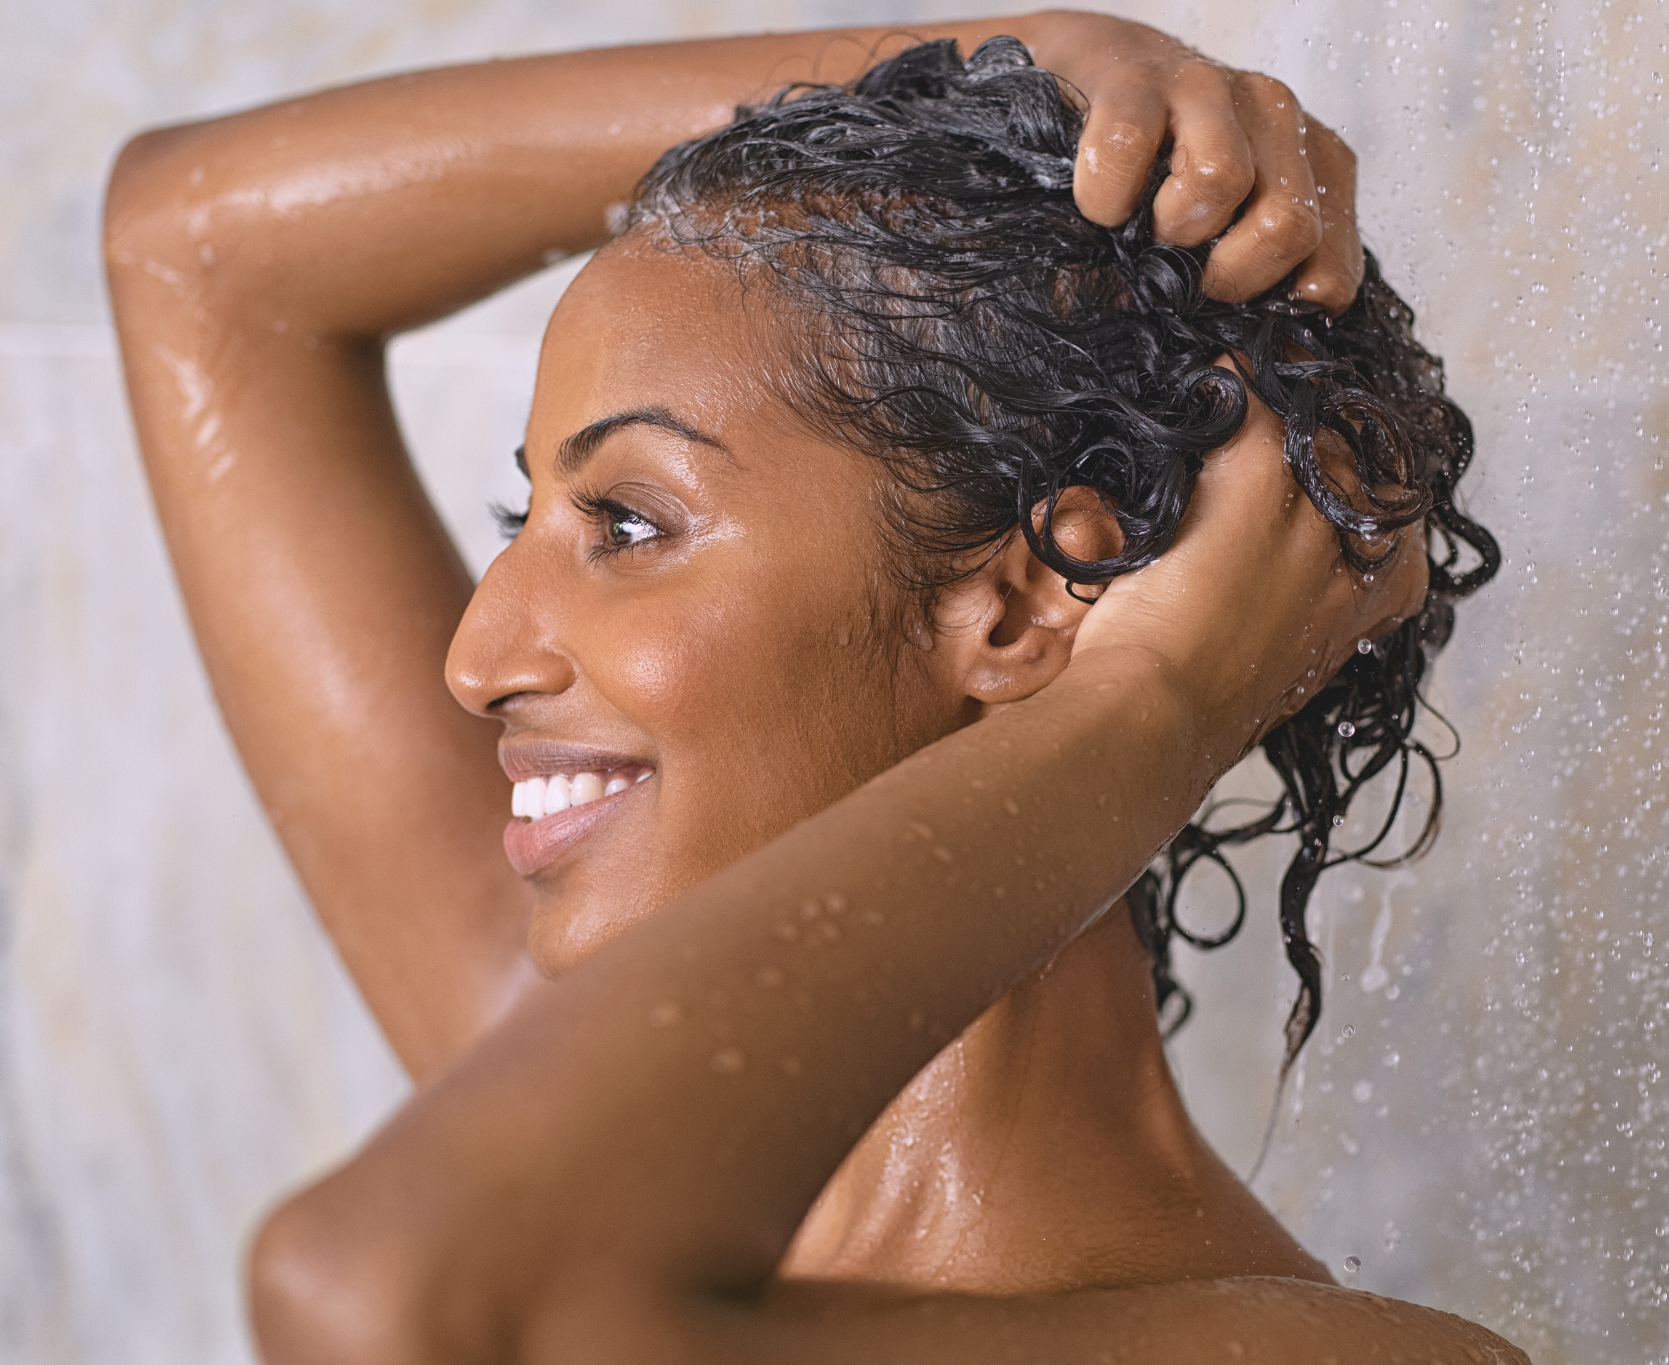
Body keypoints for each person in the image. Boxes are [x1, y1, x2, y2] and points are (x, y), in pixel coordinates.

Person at [104, 12, 1514, 1363]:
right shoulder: (561, 1124)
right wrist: (969, 67)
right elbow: (196, 249)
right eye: (520, 516)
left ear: (1023, 607)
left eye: (630, 524)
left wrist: (1150, 708)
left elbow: (394, 1293)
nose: (477, 661)